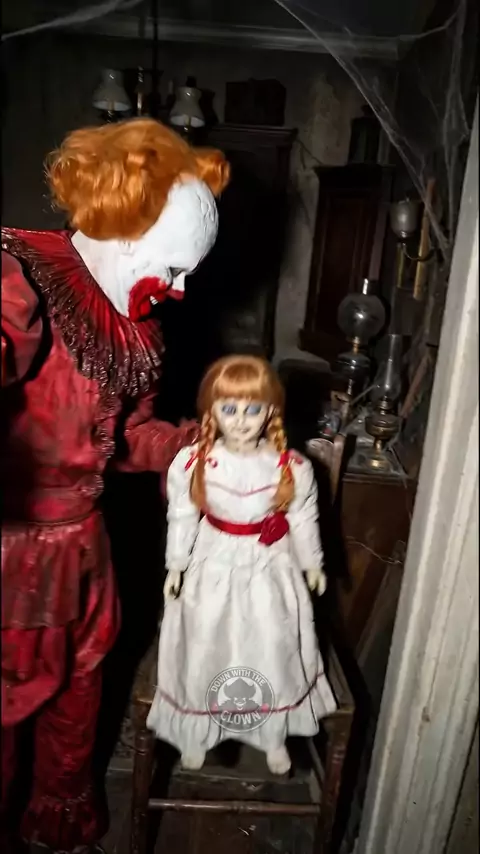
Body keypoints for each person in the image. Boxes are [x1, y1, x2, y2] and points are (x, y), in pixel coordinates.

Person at [0, 118, 230, 853]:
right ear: (127, 229)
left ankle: (56, 831)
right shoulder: (19, 278)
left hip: (87, 554)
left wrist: (197, 450)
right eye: (175, 267)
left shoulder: (135, 328)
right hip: (13, 561)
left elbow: (127, 438)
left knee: (78, 705)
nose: (181, 289)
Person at [147, 355, 337, 776]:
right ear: (211, 410)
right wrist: (176, 564)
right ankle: (197, 731)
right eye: (229, 409)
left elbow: (303, 516)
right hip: (214, 561)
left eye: (253, 409)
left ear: (270, 412)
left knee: (273, 643)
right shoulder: (196, 462)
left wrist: (312, 564)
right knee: (203, 642)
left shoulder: (290, 466)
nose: (240, 421)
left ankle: (273, 734)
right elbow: (182, 515)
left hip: (269, 565)